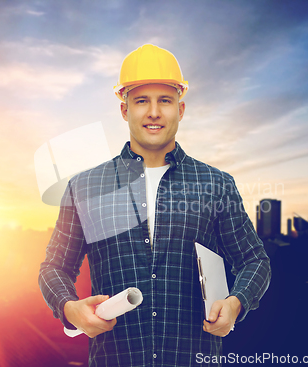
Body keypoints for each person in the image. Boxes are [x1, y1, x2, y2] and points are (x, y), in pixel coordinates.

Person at [39, 44, 271, 367]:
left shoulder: (215, 185)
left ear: (181, 108)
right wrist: (68, 308)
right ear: (124, 110)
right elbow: (54, 267)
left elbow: (255, 261)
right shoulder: (85, 187)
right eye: (141, 101)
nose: (153, 112)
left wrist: (236, 303)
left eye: (164, 100)